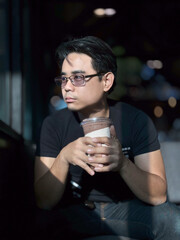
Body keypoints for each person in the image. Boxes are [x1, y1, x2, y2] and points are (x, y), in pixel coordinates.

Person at [34, 36, 180, 240]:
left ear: (106, 81)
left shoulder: (135, 120)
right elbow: (44, 201)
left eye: (77, 78)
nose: (67, 87)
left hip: (127, 209)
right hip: (75, 212)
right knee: (33, 223)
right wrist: (64, 157)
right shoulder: (53, 125)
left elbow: (158, 195)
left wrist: (122, 163)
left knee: (175, 222)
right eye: (64, 79)